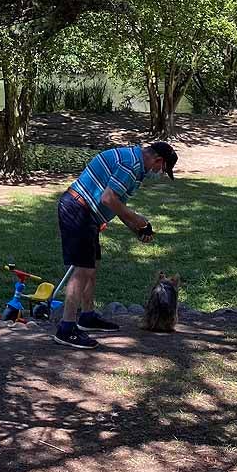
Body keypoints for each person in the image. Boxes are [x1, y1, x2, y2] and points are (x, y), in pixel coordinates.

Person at [53, 141, 178, 350]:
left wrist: (136, 229)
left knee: (92, 266)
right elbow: (108, 198)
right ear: (158, 160)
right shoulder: (130, 165)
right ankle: (66, 328)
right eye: (162, 170)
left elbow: (117, 206)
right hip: (78, 209)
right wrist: (138, 219)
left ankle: (87, 316)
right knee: (82, 269)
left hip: (88, 215)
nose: (160, 174)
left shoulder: (135, 165)